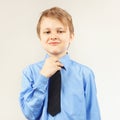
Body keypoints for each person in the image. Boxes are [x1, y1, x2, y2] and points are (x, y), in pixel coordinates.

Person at [19, 7, 101, 120]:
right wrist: (43, 77)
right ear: (40, 37)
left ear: (71, 36)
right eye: (47, 32)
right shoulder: (29, 72)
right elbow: (29, 113)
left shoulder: (85, 74)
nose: (53, 36)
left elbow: (93, 114)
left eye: (60, 31)